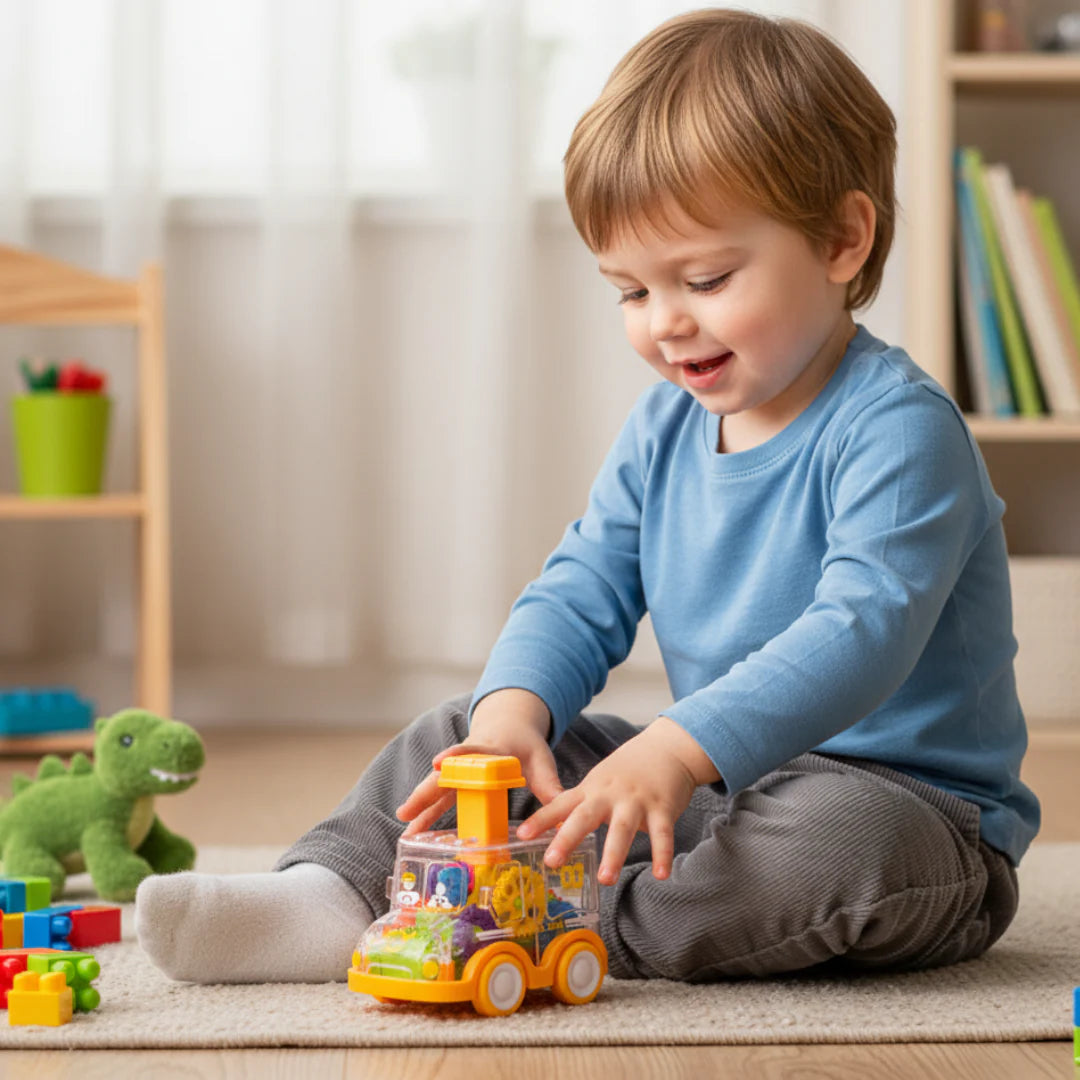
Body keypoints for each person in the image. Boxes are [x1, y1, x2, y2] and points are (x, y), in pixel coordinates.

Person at [136, 7, 1039, 984]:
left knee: (829, 843)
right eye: (632, 292)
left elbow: (859, 631)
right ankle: (335, 895)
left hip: (910, 812)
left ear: (842, 240)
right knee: (458, 735)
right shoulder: (664, 430)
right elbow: (581, 589)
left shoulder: (900, 430)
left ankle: (539, 913)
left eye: (704, 277)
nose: (666, 324)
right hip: (711, 783)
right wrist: (513, 716)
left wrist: (681, 748)